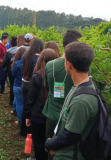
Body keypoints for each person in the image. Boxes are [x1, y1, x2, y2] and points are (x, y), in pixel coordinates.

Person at [45, 42, 98, 160]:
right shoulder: (80, 86)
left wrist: (50, 143)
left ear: (68, 64)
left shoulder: (81, 101)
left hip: (70, 156)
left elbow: (70, 135)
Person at [42, 30, 83, 160]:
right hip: (74, 117)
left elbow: (47, 86)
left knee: (51, 148)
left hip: (53, 114)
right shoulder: (84, 67)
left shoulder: (50, 65)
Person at [25, 49, 58, 160]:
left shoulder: (37, 76)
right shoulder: (57, 77)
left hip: (38, 115)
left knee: (38, 141)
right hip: (52, 116)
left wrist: (28, 116)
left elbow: (30, 99)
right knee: (50, 141)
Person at [21, 38, 44, 136]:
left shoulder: (25, 55)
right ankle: (29, 130)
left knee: (25, 106)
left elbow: (22, 67)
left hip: (24, 82)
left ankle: (23, 130)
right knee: (31, 106)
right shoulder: (38, 58)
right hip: (31, 84)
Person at [12, 47, 27, 125]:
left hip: (17, 85)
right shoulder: (29, 63)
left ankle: (20, 121)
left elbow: (13, 74)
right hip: (26, 86)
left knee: (19, 103)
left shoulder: (17, 63)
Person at [2, 36, 18, 105]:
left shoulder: (8, 52)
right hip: (18, 70)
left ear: (10, 44)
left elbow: (4, 62)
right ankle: (17, 99)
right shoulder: (20, 50)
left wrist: (4, 67)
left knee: (12, 85)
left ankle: (11, 101)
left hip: (10, 70)